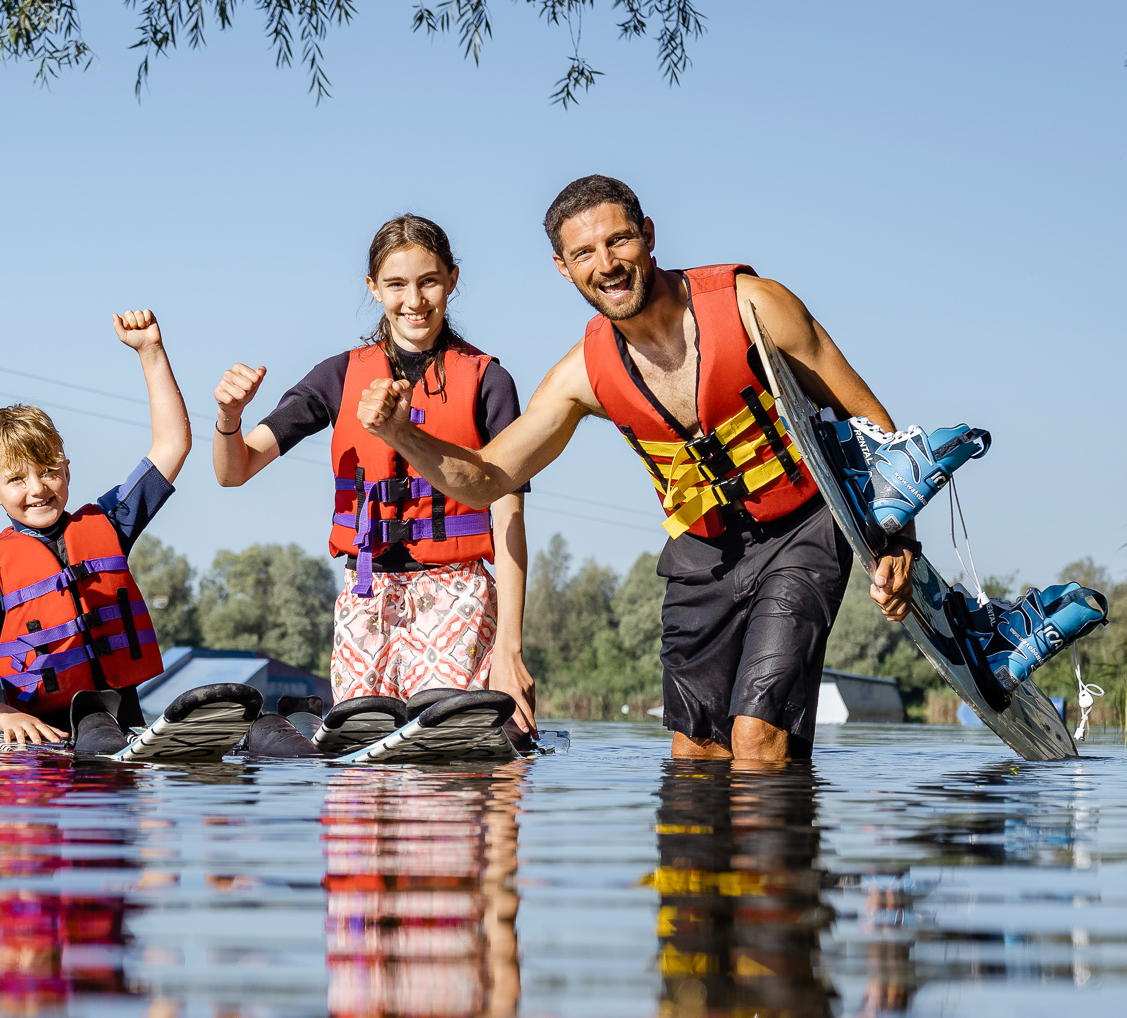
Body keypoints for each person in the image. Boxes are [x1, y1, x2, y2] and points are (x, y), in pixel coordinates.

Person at [354, 176, 941, 765]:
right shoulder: (581, 374)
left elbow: (869, 418)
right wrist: (401, 434)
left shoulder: (755, 305)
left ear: (649, 236)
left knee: (756, 741)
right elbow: (484, 479)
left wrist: (896, 541)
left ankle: (780, 851)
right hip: (704, 552)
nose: (606, 264)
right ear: (563, 268)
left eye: (619, 241)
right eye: (584, 253)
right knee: (695, 754)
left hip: (803, 529)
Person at [211, 215, 534, 732]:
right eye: (396, 284)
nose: (415, 300)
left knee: (441, 756)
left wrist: (509, 650)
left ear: (452, 278)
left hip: (458, 595)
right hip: (366, 596)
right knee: (361, 768)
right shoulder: (338, 376)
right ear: (373, 289)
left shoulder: (490, 381)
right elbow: (235, 470)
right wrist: (229, 419)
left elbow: (510, 518)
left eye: (429, 281)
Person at [0, 311, 202, 756]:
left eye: (48, 471)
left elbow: (173, 444)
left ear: (67, 470)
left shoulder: (110, 524)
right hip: (42, 746)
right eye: (17, 479)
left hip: (119, 733)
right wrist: (6, 719)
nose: (38, 488)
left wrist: (150, 351)